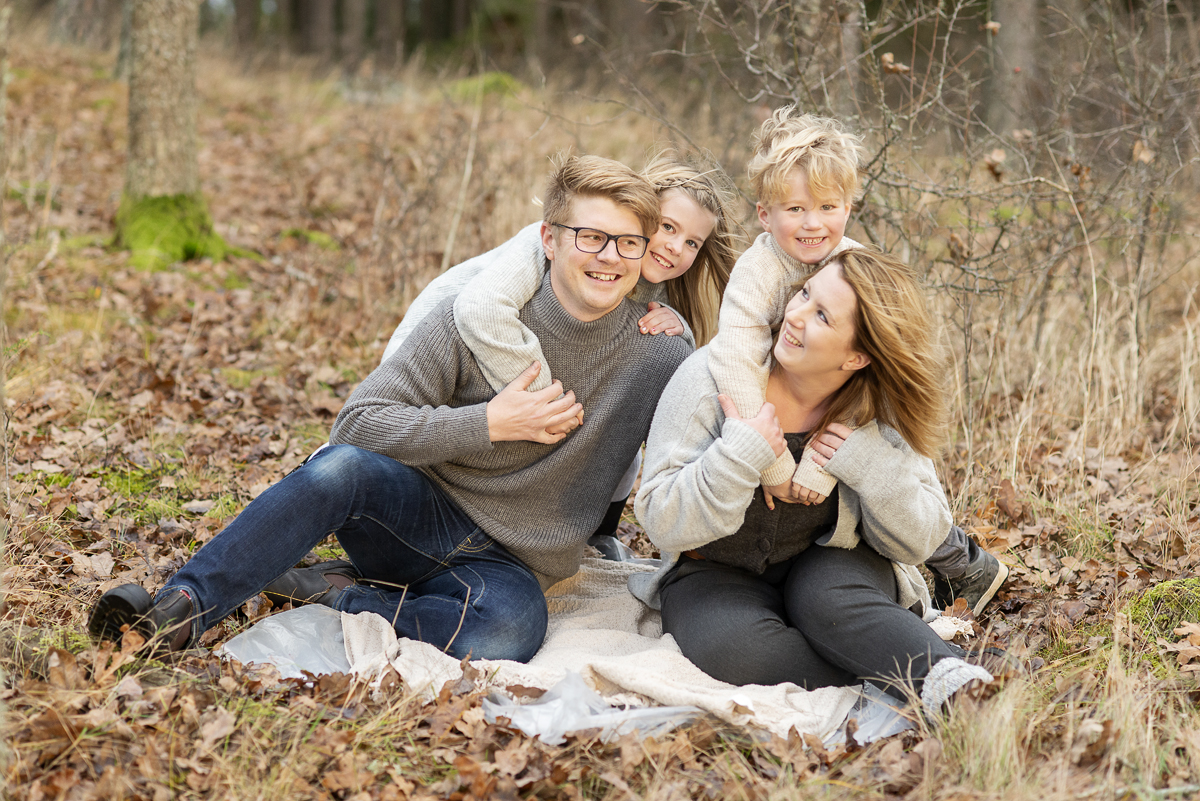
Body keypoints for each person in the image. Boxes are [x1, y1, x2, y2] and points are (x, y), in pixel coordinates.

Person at [89, 155, 694, 662]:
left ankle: (339, 596)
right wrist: (488, 424)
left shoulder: (660, 354)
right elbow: (358, 421)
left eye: (627, 242)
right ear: (549, 238)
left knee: (509, 633)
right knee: (340, 467)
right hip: (413, 517)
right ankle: (177, 612)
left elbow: (686, 456)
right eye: (591, 236)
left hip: (512, 565)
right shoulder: (480, 318)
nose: (609, 257)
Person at [630, 249, 996, 711]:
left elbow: (920, 540)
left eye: (821, 315)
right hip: (714, 569)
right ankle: (900, 656)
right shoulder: (712, 377)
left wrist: (868, 463)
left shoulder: (877, 410)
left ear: (858, 357)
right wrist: (737, 456)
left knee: (828, 603)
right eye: (803, 294)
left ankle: (961, 694)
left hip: (833, 563)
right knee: (739, 652)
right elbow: (660, 521)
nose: (794, 315)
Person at [709, 107, 1005, 614]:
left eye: (828, 205)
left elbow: (877, 371)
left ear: (849, 204)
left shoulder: (852, 260)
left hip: (857, 396)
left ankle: (962, 562)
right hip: (788, 398)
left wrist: (822, 466)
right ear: (764, 214)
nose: (812, 223)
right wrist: (773, 463)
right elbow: (735, 359)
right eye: (795, 209)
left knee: (890, 449)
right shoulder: (757, 272)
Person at [378, 149, 739, 543]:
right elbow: (481, 308)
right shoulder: (547, 245)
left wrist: (681, 327)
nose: (675, 247)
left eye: (692, 243)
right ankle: (344, 463)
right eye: (667, 227)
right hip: (437, 336)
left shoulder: (645, 279)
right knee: (397, 427)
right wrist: (545, 401)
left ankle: (600, 535)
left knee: (621, 422)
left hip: (499, 339)